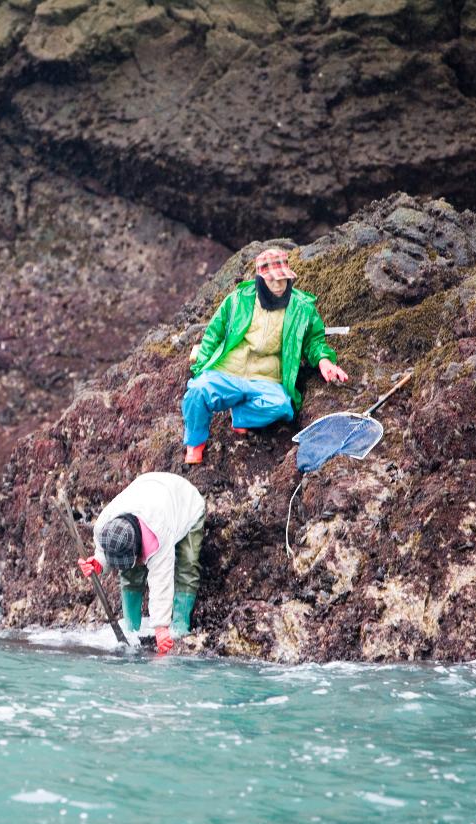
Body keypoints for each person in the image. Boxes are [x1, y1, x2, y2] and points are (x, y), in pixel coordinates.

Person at [181, 247, 348, 464]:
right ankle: (195, 443)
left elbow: (314, 341)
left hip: (267, 377)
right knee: (196, 392)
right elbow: (213, 334)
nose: (279, 286)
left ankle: (241, 416)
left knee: (281, 407)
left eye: (283, 280)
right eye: (272, 281)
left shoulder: (302, 308)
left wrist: (325, 361)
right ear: (261, 279)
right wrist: (201, 368)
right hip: (228, 369)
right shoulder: (237, 300)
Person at [77, 472, 206, 655]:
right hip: (149, 489)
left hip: (185, 503)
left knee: (187, 564)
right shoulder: (103, 526)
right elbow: (104, 552)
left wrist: (161, 628)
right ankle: (131, 629)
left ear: (138, 543)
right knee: (130, 572)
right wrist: (98, 563)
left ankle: (180, 627)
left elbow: (161, 581)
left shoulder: (158, 533)